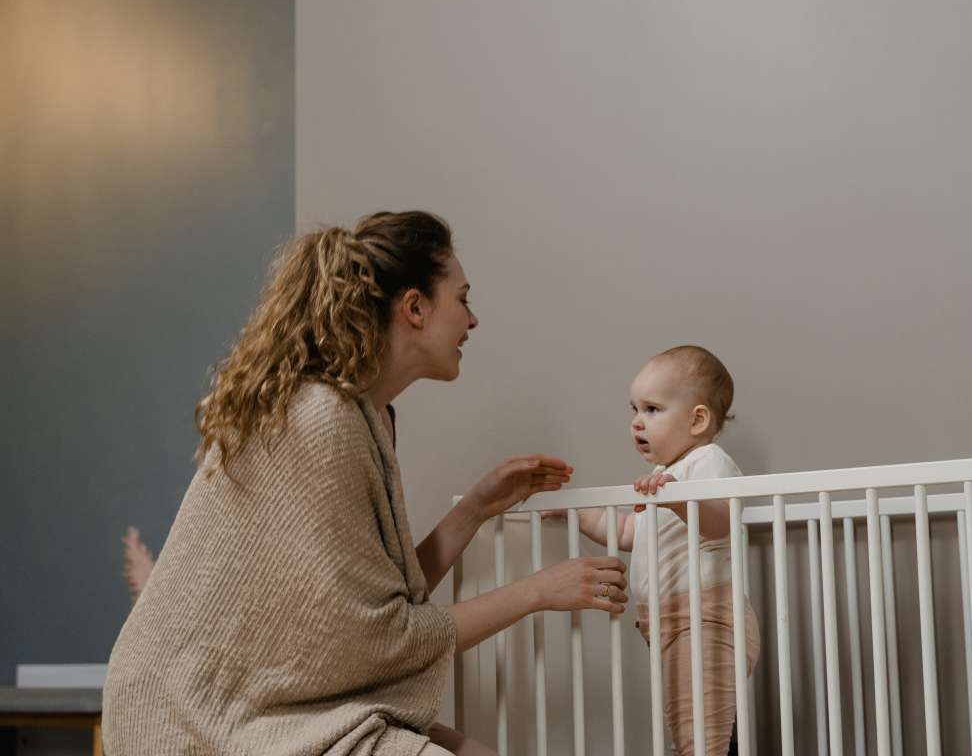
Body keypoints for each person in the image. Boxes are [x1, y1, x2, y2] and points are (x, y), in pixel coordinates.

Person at [102, 211, 628, 756]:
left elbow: (361, 608)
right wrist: (539, 590)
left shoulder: (364, 417)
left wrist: (475, 509)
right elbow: (378, 638)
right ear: (416, 307)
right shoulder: (321, 420)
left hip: (254, 705)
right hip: (189, 717)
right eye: (463, 298)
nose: (472, 321)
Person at [549, 345, 760, 756]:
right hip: (669, 624)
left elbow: (720, 521)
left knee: (700, 738)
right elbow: (630, 531)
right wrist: (577, 513)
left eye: (652, 409)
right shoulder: (663, 476)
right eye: (634, 409)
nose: (636, 423)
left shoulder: (707, 462)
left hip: (707, 619)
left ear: (698, 419)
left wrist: (678, 499)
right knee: (696, 729)